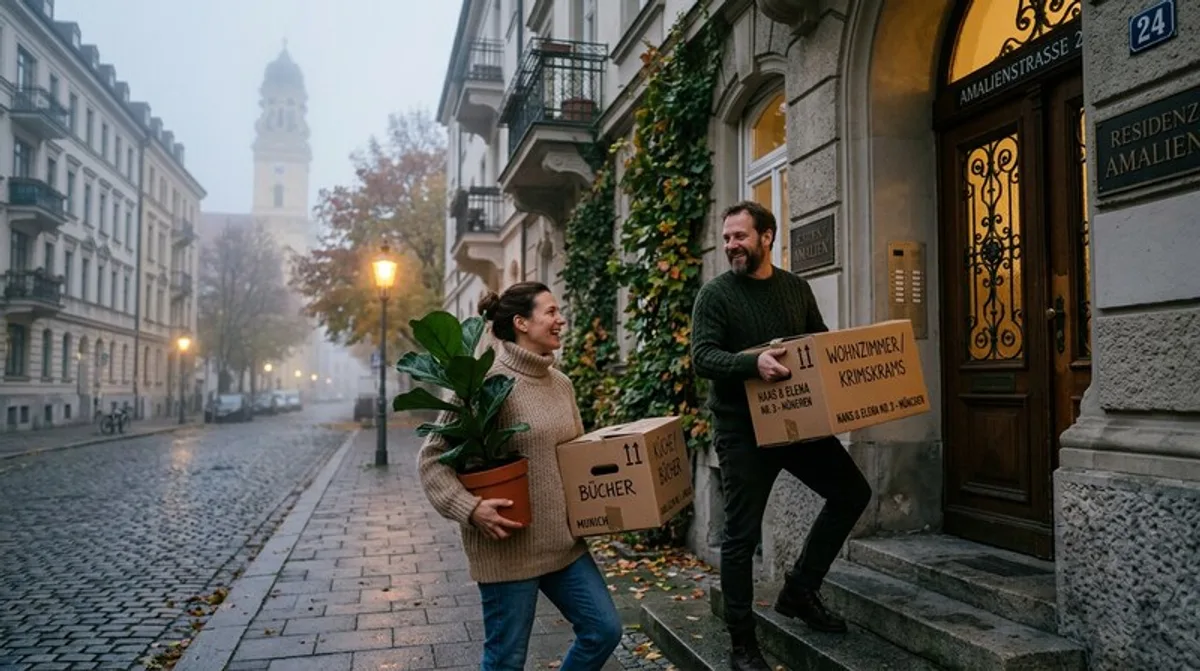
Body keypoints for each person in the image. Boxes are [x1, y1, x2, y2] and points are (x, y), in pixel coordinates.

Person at [690, 201, 873, 671]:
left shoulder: (796, 288)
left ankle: (800, 589)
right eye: (727, 237)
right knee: (740, 536)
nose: (731, 244)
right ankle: (742, 643)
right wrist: (754, 363)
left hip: (796, 425)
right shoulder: (715, 295)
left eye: (740, 236)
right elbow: (704, 357)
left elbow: (817, 343)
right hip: (742, 432)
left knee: (852, 492)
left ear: (767, 237)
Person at [418, 281, 623, 671]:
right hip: (508, 548)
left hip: (564, 546)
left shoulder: (561, 384)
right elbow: (431, 459)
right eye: (550, 311)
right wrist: (471, 508)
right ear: (521, 323)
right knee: (506, 661)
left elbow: (574, 458)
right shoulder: (483, 384)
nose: (561, 319)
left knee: (604, 630)